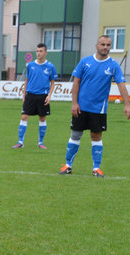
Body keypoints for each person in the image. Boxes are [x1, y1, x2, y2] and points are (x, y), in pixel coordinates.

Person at [59, 35, 130, 177]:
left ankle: (96, 169)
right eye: (102, 44)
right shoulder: (85, 62)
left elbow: (121, 85)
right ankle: (68, 165)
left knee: (96, 136)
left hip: (99, 108)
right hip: (81, 106)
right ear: (96, 45)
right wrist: (74, 103)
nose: (105, 47)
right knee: (75, 135)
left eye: (108, 45)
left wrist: (127, 104)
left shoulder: (114, 65)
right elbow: (76, 83)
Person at [12, 43, 58, 149]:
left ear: (45, 53)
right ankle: (20, 142)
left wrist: (49, 96)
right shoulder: (31, 65)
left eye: (41, 51)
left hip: (43, 95)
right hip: (30, 95)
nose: (38, 53)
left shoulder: (50, 66)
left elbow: (53, 82)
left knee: (42, 118)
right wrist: (24, 95)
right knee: (24, 116)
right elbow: (27, 80)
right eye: (37, 51)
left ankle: (40, 142)